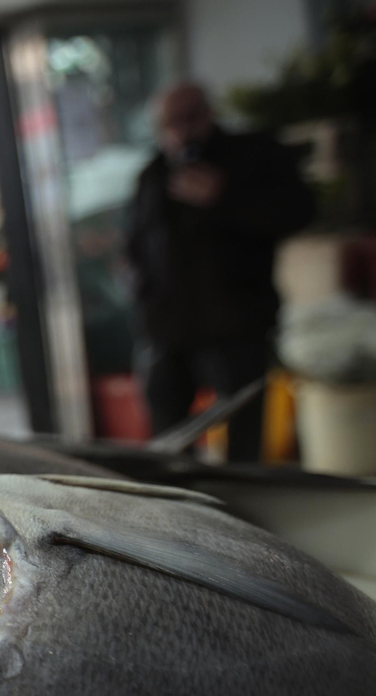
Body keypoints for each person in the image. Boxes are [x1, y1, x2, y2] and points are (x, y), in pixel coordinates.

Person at [125, 83, 315, 462]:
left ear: (207, 114)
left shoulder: (253, 155)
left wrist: (223, 199)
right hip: (168, 327)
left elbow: (298, 212)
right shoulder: (153, 173)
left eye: (189, 118)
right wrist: (142, 294)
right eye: (169, 123)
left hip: (237, 323)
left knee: (244, 439)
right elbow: (135, 244)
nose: (181, 131)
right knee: (166, 441)